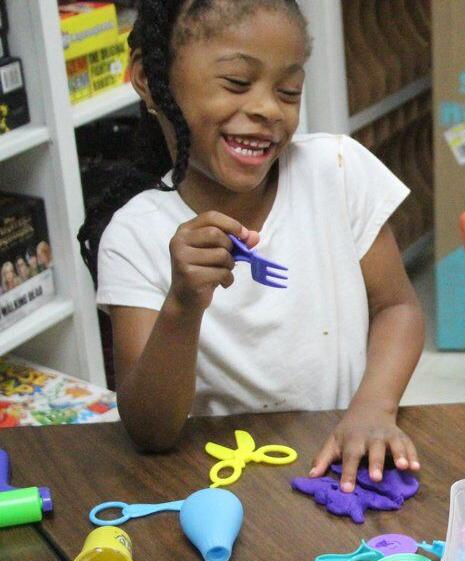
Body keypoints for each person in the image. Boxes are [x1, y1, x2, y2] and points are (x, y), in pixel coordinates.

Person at [84, 0, 425, 492]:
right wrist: (183, 304)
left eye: (288, 91)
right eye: (237, 83)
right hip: (221, 486)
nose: (268, 109)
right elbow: (149, 431)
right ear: (149, 79)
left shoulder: (336, 171)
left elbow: (398, 308)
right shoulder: (134, 236)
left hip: (339, 464)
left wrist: (374, 405)